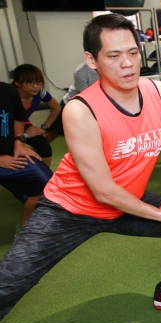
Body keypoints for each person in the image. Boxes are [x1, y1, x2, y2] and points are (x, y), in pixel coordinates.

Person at [0, 14, 161, 321]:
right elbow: (103, 191)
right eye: (114, 56)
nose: (127, 64)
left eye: (132, 52)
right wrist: (160, 214)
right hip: (70, 209)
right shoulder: (80, 110)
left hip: (127, 201)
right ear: (92, 60)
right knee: (7, 284)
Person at [0, 81, 52, 228]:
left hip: (11, 154)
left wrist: (19, 142)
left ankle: (25, 228)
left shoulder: (7, 90)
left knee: (49, 186)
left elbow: (18, 118)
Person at [12, 64, 61, 167]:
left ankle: (47, 175)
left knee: (44, 148)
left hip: (22, 122)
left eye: (38, 82)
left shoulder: (40, 92)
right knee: (9, 151)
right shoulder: (9, 96)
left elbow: (56, 108)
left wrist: (45, 126)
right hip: (5, 126)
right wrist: (25, 135)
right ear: (17, 83)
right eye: (29, 83)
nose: (35, 86)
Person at [46, 62, 100, 141]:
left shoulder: (110, 67)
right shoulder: (81, 71)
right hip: (72, 104)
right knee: (52, 134)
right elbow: (85, 95)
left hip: (95, 105)